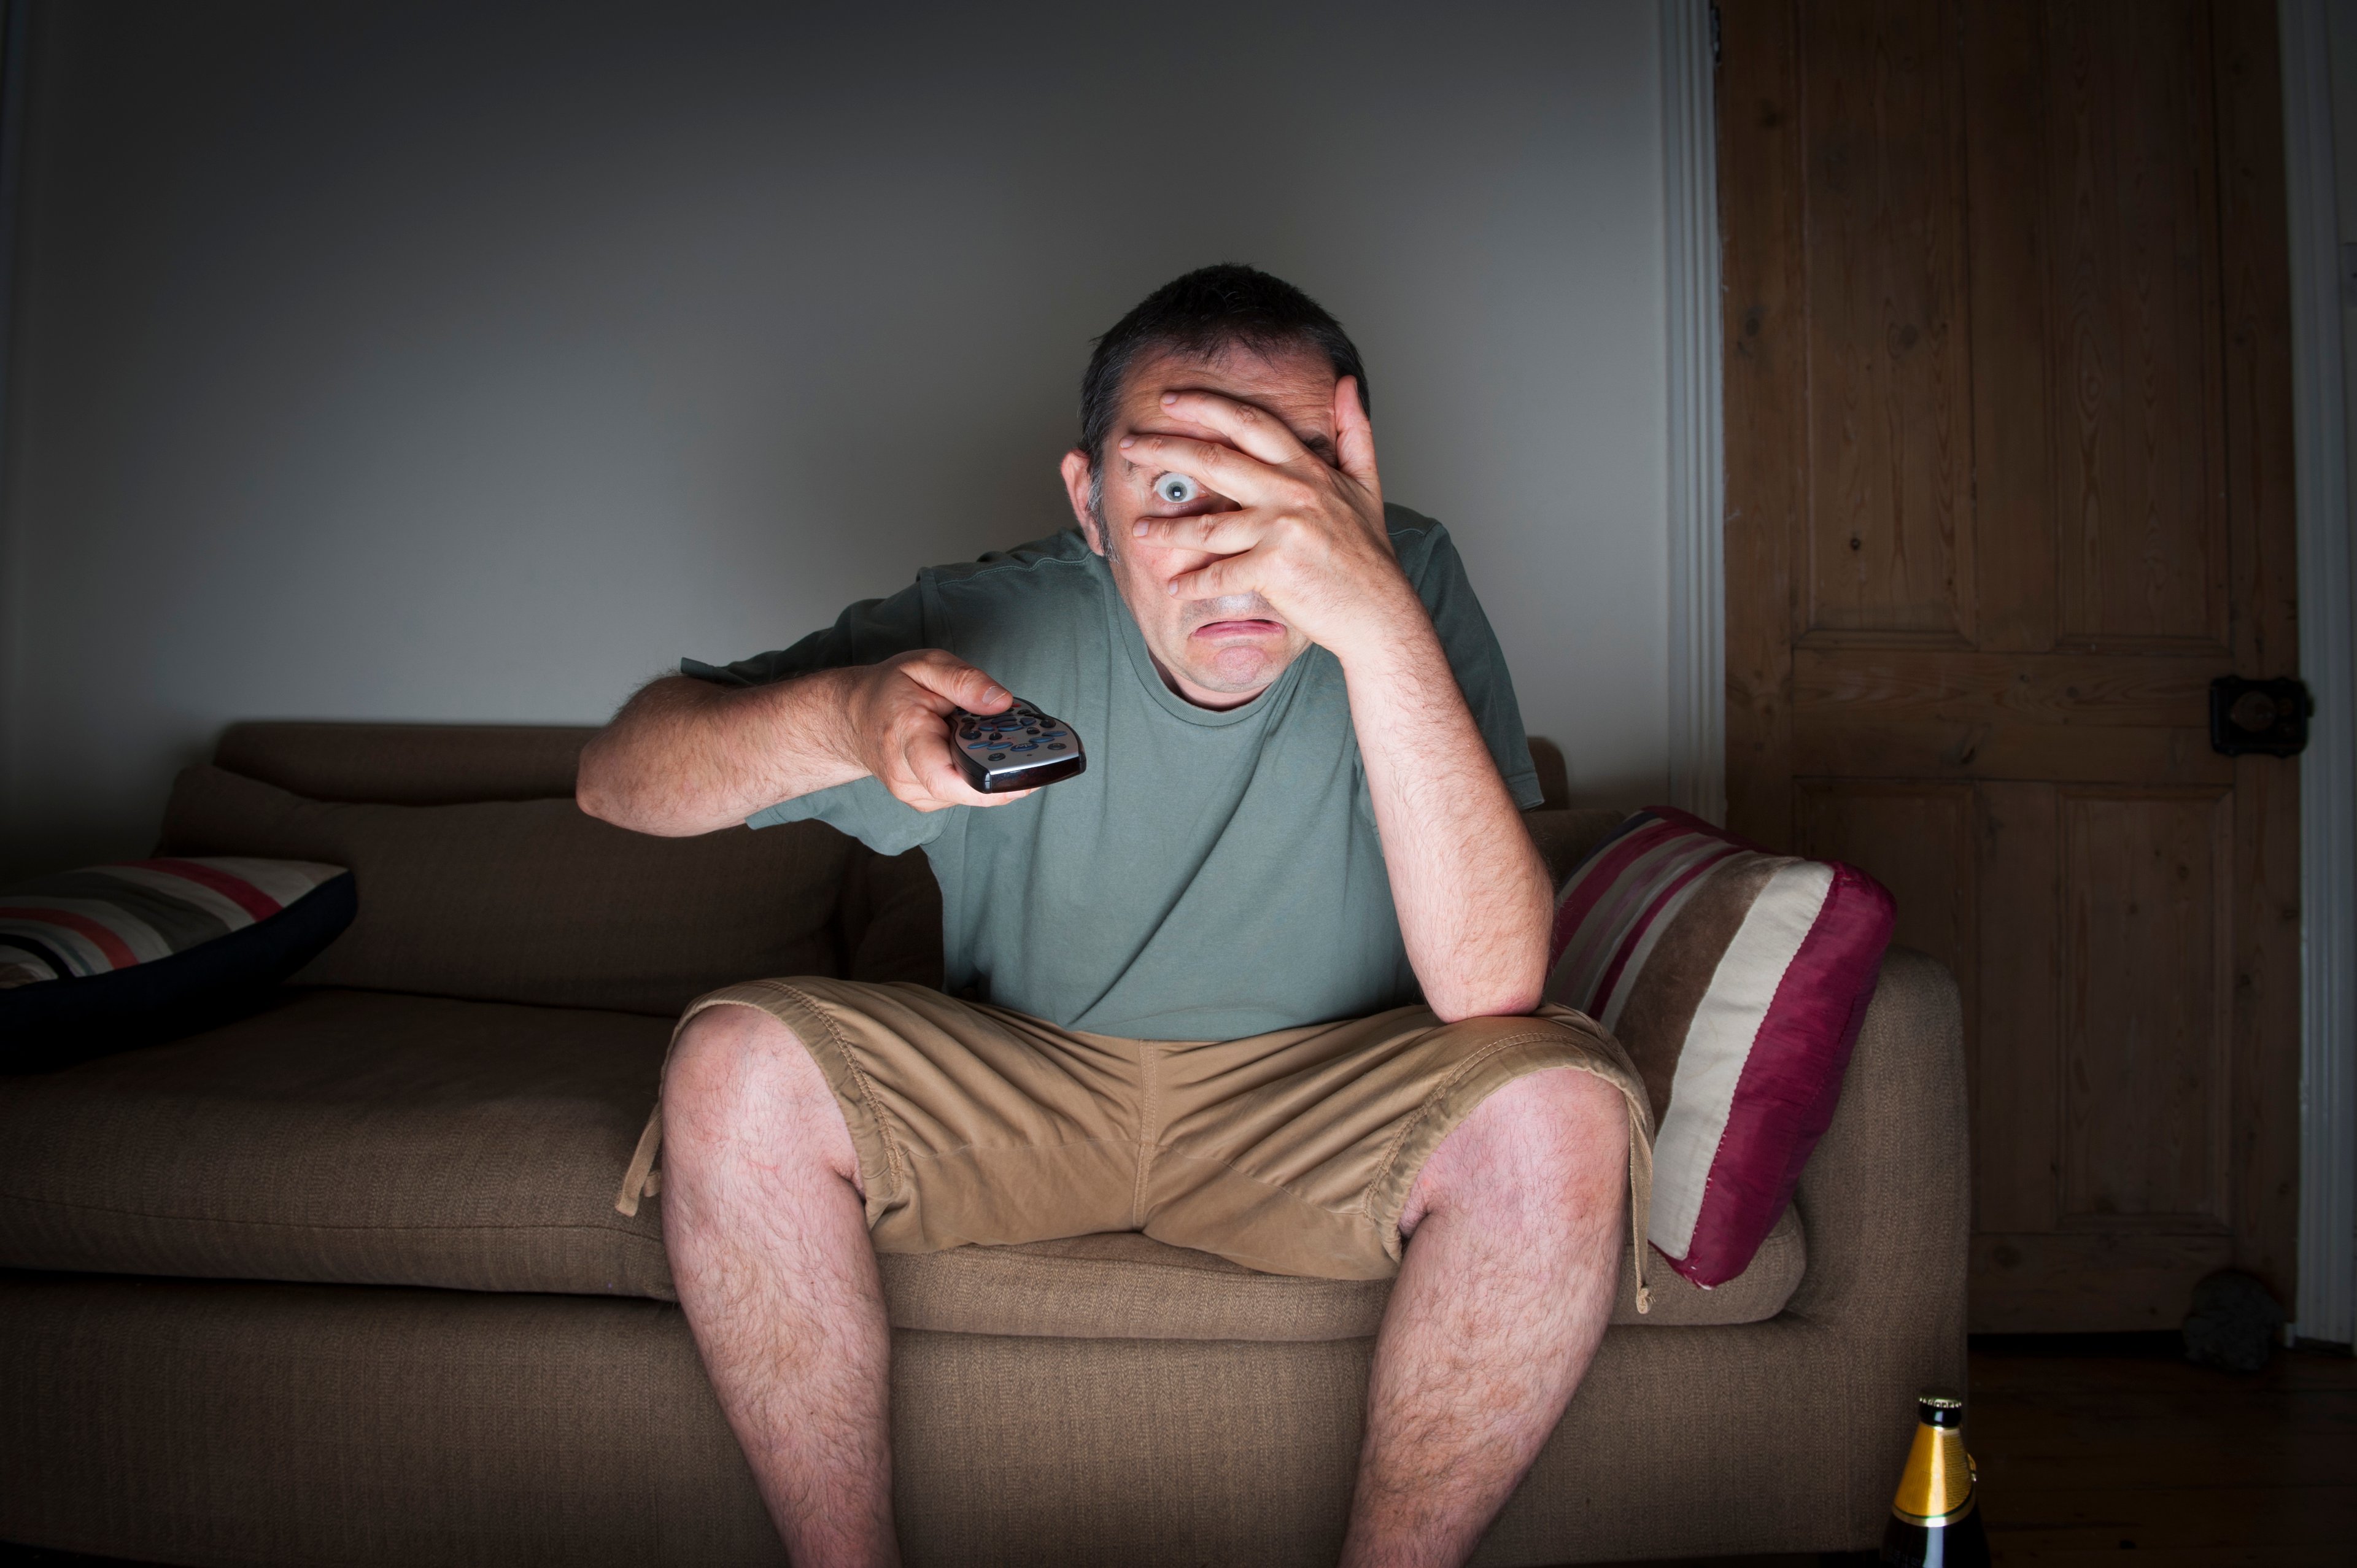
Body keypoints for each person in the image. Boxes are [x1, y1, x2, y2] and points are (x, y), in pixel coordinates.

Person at [578, 264, 1653, 1568]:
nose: (1232, 554)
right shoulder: (999, 610)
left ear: (1352, 487)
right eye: (1179, 489)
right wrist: (839, 718)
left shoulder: (1406, 577)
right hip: (1029, 1077)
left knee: (1559, 1110)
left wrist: (1377, 616)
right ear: (1090, 501)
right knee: (735, 1064)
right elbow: (618, 776)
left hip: (1324, 1090)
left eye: (1287, 488)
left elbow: (1490, 988)